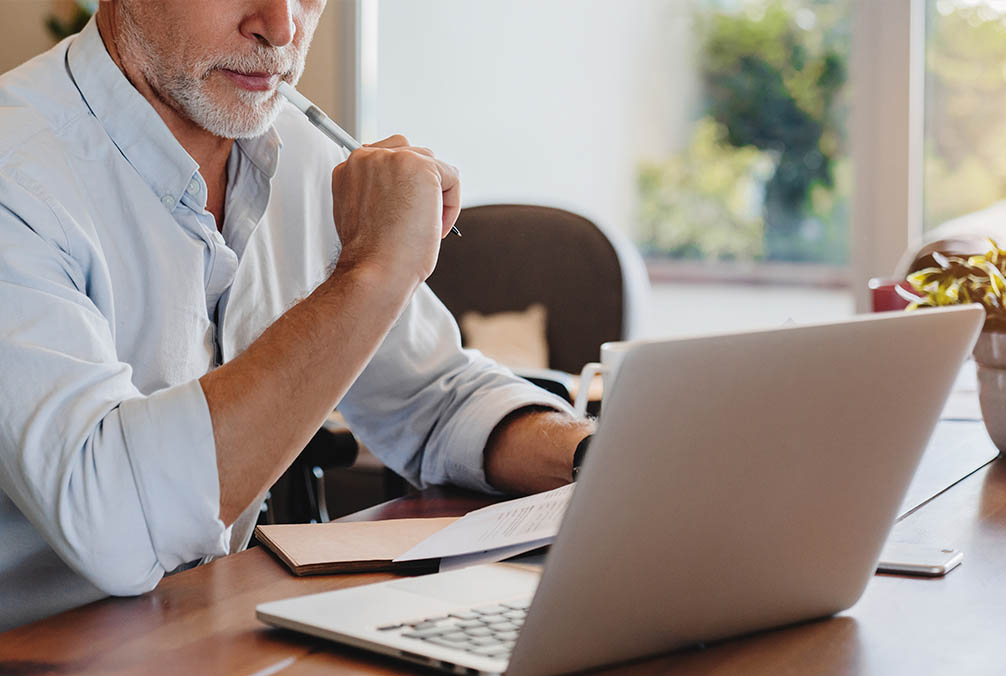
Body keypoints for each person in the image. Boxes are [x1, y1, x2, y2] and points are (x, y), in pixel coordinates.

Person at [0, 0, 594, 632]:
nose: (281, 27)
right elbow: (113, 521)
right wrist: (371, 275)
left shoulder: (303, 155)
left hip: (211, 638)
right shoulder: (19, 177)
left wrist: (602, 460)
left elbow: (437, 398)